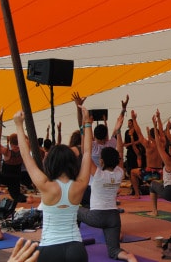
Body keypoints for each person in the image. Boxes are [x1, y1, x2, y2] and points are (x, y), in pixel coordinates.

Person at [13, 105, 92, 262]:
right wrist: (87, 124)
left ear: (50, 163)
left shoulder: (45, 184)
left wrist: (18, 126)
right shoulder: (80, 184)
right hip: (76, 249)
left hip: (50, 249)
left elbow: (25, 155)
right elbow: (87, 152)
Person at [77, 144, 137, 262]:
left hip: (96, 217)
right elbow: (119, 151)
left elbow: (86, 153)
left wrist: (86, 128)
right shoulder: (120, 172)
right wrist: (118, 132)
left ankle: (73, 241)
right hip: (113, 218)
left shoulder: (98, 174)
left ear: (102, 161)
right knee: (113, 251)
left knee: (74, 209)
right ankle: (128, 256)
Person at [129, 109, 163, 198]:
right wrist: (158, 118)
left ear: (150, 136)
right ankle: (158, 192)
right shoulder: (162, 143)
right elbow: (161, 130)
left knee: (132, 172)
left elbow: (139, 132)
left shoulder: (148, 144)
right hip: (160, 174)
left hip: (149, 174)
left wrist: (134, 120)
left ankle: (137, 194)